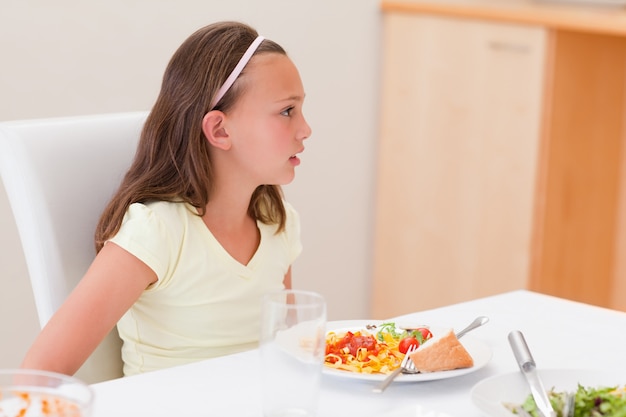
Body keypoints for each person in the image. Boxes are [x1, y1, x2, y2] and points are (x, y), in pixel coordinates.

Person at [20, 21, 312, 377]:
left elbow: (287, 350)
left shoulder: (277, 221)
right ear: (220, 130)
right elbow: (39, 374)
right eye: (287, 111)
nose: (305, 128)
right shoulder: (158, 232)